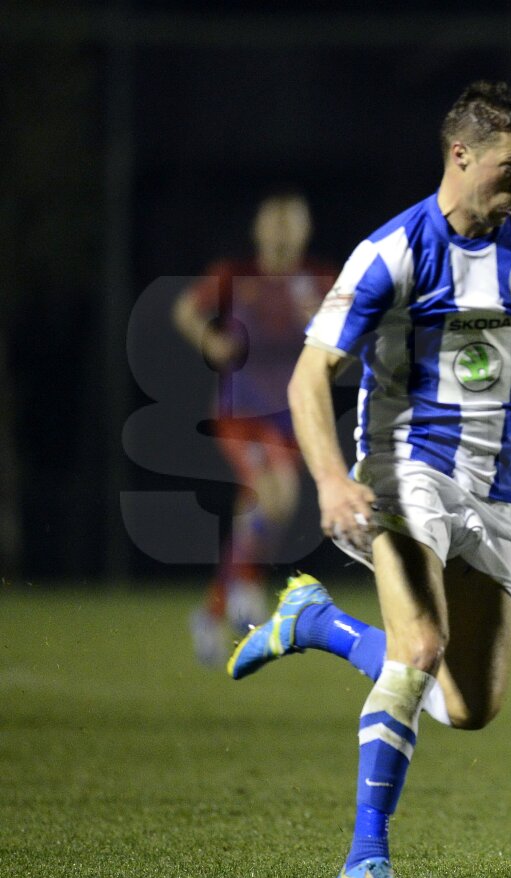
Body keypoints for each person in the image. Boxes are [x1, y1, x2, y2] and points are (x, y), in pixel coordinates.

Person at [225, 81, 511, 878]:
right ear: (461, 156)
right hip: (402, 474)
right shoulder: (393, 250)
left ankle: (314, 621)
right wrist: (327, 478)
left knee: (468, 706)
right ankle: (365, 857)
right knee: (421, 646)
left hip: (493, 495)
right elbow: (311, 377)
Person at [173, 190, 334, 666]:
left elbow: (353, 325)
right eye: (275, 223)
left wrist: (324, 326)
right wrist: (210, 339)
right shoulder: (235, 276)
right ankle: (245, 587)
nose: (283, 233)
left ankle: (211, 610)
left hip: (292, 412)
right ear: (259, 230)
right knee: (275, 492)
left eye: (292, 224)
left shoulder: (320, 280)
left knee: (267, 505)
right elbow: (186, 308)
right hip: (241, 411)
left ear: (304, 231)